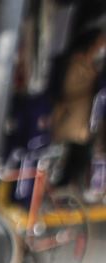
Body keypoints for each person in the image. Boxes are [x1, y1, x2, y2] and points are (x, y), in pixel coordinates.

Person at [52, 26, 106, 190]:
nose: (102, 49)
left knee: (75, 163)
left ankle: (62, 185)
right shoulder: (75, 64)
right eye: (100, 44)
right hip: (69, 121)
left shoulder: (93, 70)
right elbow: (67, 91)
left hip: (81, 127)